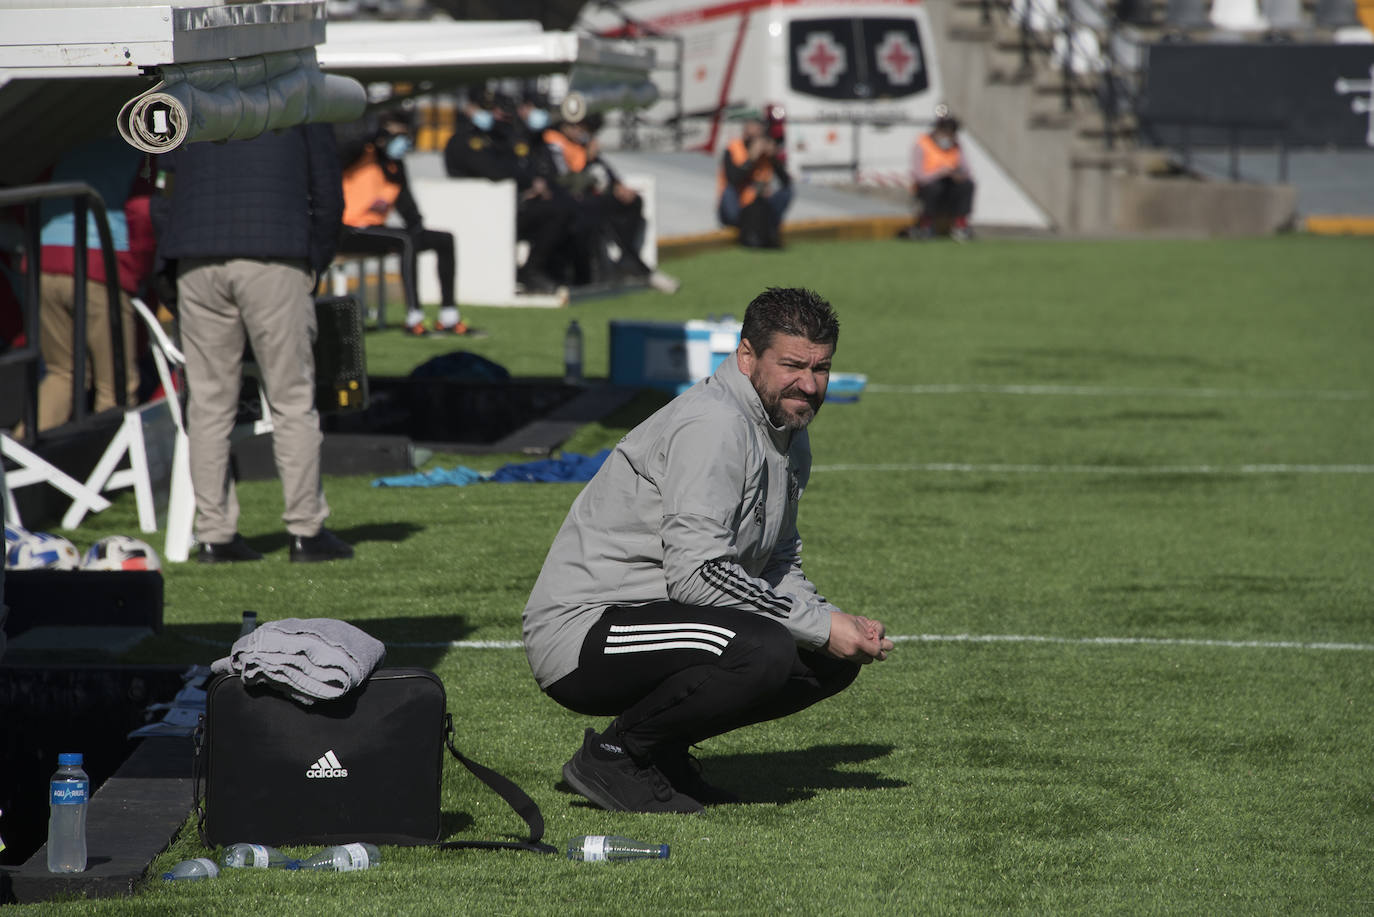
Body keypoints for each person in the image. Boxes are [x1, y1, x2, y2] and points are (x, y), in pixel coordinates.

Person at [522, 287, 893, 813]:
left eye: (821, 368)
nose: (809, 386)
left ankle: (660, 754)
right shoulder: (715, 423)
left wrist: (833, 620)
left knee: (829, 658)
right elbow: (697, 575)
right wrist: (816, 625)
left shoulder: (785, 427)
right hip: (584, 631)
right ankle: (615, 755)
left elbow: (777, 561)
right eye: (792, 365)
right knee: (764, 647)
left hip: (660, 617)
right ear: (747, 357)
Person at [152, 124, 354, 564]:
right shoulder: (300, 102)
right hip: (275, 255)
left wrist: (168, 267)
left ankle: (215, 535)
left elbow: (163, 191)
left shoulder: (190, 94)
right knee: (292, 400)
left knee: (207, 404)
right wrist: (313, 260)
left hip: (197, 256)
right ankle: (305, 530)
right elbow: (328, 194)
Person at [35, 137, 156, 430]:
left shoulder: (71, 140)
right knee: (115, 384)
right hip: (97, 265)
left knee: (62, 373)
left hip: (44, 260)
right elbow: (142, 212)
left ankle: (15, 461)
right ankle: (111, 464)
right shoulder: (143, 151)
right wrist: (139, 272)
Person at [338, 110, 477, 336]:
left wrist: (419, 228)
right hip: (349, 230)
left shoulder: (395, 167)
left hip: (376, 232)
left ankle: (449, 316)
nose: (404, 142)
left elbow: (408, 210)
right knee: (405, 239)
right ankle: (414, 317)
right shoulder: (362, 154)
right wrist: (375, 136)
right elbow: (343, 151)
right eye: (397, 136)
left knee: (443, 239)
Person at [444, 90, 575, 295]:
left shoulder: (501, 136)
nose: (495, 115)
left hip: (508, 206)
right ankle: (531, 272)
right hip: (482, 212)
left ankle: (544, 270)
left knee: (564, 207)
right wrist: (529, 182)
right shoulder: (464, 140)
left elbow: (521, 164)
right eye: (487, 110)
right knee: (554, 212)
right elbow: (495, 171)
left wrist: (532, 183)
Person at [717, 115, 793, 247]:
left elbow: (786, 181)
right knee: (728, 190)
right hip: (736, 206)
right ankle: (740, 224)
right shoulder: (733, 148)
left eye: (759, 127)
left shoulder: (766, 153)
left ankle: (770, 226)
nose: (758, 131)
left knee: (787, 191)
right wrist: (751, 159)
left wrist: (774, 159)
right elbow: (733, 179)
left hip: (757, 205)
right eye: (754, 126)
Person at [909, 107, 975, 241]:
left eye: (951, 134)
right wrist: (940, 172)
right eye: (946, 133)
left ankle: (961, 226)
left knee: (967, 185)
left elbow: (966, 170)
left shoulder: (956, 146)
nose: (948, 137)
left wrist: (957, 174)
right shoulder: (922, 144)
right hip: (928, 186)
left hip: (950, 185)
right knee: (934, 188)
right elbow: (920, 176)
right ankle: (926, 226)